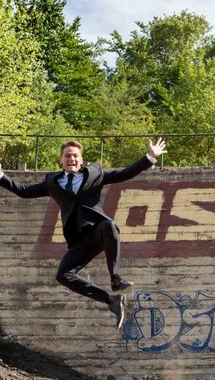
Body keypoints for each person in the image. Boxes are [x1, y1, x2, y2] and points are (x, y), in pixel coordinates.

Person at [0, 138, 167, 329]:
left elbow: (123, 174)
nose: (71, 158)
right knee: (63, 275)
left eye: (75, 156)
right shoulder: (52, 181)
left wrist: (150, 158)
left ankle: (115, 278)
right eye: (67, 156)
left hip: (97, 231)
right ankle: (111, 301)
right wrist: (1, 176)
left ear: (81, 159)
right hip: (78, 239)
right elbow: (24, 191)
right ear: (61, 160)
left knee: (109, 225)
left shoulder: (95, 173)